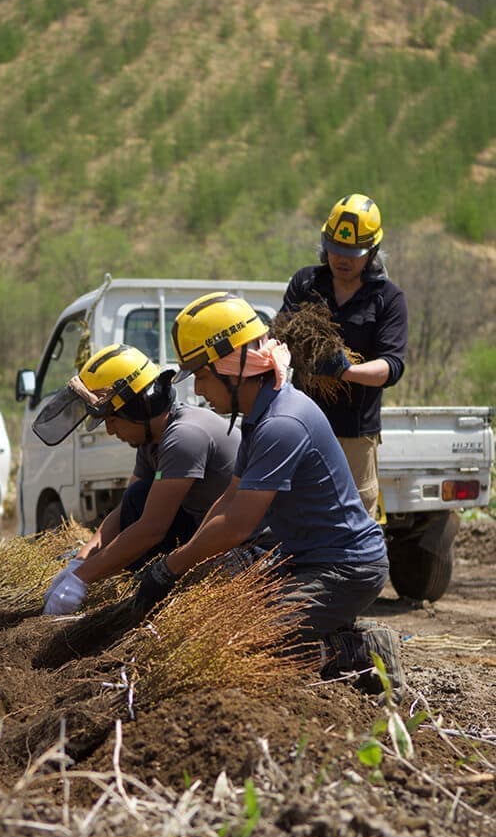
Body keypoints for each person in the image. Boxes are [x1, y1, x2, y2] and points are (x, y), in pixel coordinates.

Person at [134, 292, 403, 697]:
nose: (199, 390)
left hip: (346, 568)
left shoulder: (282, 422)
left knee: (242, 646)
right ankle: (330, 626)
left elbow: (237, 526)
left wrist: (170, 568)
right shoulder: (259, 414)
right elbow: (229, 499)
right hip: (304, 560)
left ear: (232, 368)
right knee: (215, 622)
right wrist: (187, 562)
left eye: (202, 376)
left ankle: (356, 650)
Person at [33, 343, 241, 616]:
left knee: (140, 514)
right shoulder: (152, 441)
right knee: (136, 498)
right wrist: (79, 562)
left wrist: (81, 580)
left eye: (112, 419)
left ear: (137, 409)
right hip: (200, 527)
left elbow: (152, 528)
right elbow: (125, 512)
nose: (110, 430)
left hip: (240, 546)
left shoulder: (184, 437)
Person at [279, 193, 408, 518]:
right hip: (302, 424)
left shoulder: (388, 299)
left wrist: (345, 370)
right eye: (335, 249)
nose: (341, 259)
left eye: (353, 253)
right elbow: (281, 336)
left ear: (372, 252)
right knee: (299, 514)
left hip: (354, 434)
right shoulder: (306, 283)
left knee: (354, 519)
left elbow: (391, 366)